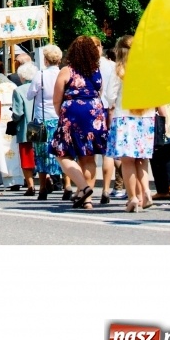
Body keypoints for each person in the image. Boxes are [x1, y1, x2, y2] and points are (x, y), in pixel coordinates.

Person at [49, 35, 108, 210]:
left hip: (72, 112)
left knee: (62, 153)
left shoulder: (67, 70)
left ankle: (84, 187)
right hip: (94, 113)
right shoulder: (97, 71)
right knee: (89, 157)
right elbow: (99, 91)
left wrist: (62, 114)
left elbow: (56, 98)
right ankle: (86, 200)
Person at [104, 34, 158, 212]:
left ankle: (133, 197)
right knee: (142, 160)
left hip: (124, 118)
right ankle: (147, 193)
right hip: (146, 117)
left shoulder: (118, 70)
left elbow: (110, 96)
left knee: (127, 162)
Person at [25, 44, 67, 200]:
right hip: (59, 118)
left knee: (41, 153)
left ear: (46, 59)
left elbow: (30, 95)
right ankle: (67, 184)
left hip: (41, 119)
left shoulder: (40, 75)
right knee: (63, 152)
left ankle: (42, 188)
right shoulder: (63, 74)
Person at [90, 36, 117, 204]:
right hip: (109, 109)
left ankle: (88, 189)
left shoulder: (84, 67)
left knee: (90, 152)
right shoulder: (111, 66)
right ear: (100, 48)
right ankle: (106, 189)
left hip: (92, 109)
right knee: (108, 151)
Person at [11, 61, 39, 195]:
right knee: (40, 155)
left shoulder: (18, 90)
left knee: (27, 157)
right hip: (39, 125)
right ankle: (48, 180)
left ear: (22, 76)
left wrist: (13, 120)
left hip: (25, 127)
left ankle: (30, 186)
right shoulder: (40, 88)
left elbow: (18, 112)